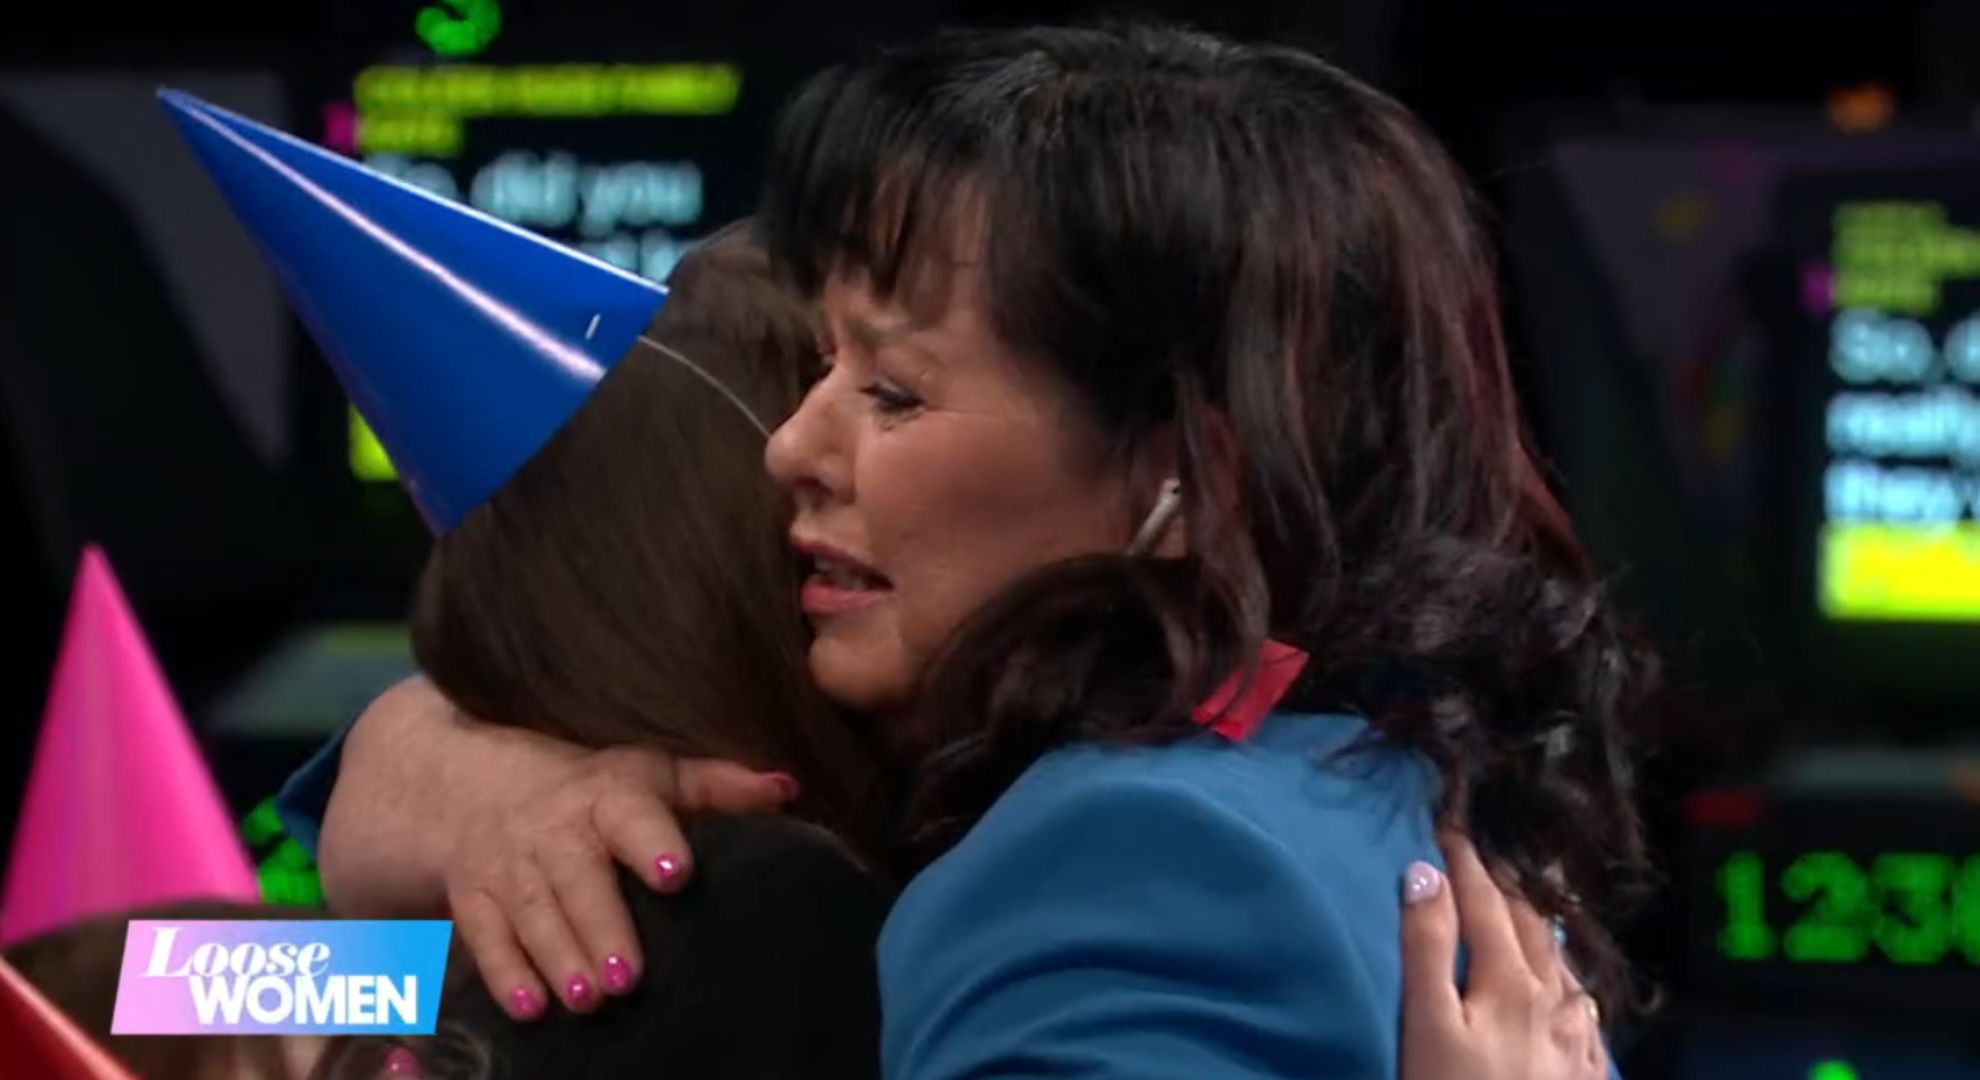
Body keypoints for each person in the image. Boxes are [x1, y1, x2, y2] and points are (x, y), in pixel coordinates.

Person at [298, 22, 1645, 1080]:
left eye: (889, 390)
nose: (800, 458)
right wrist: (417, 779)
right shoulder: (710, 902)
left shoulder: (962, 885)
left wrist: (403, 785)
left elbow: (161, 979)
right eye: (827, 374)